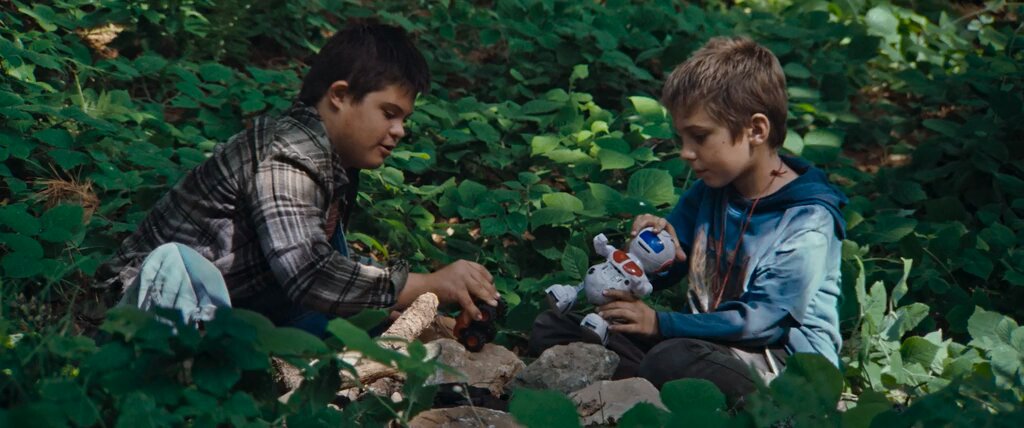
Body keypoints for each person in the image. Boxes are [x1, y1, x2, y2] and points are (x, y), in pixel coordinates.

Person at [94, 22, 500, 337]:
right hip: (146, 305)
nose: (399, 131)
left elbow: (323, 268)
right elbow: (311, 275)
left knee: (364, 324)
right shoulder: (289, 151)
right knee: (175, 265)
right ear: (339, 95)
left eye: (404, 119)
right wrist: (428, 284)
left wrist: (403, 305)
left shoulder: (335, 164)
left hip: (239, 309)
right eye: (389, 113)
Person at [528, 36, 848, 406]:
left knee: (673, 359)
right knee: (555, 328)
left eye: (700, 136)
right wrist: (644, 255)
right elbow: (663, 271)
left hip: (783, 367)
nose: (686, 152)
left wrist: (658, 324)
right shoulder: (712, 189)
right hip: (702, 346)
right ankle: (656, 393)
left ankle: (681, 396)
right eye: (681, 137)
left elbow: (761, 323)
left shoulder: (808, 219)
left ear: (756, 130)